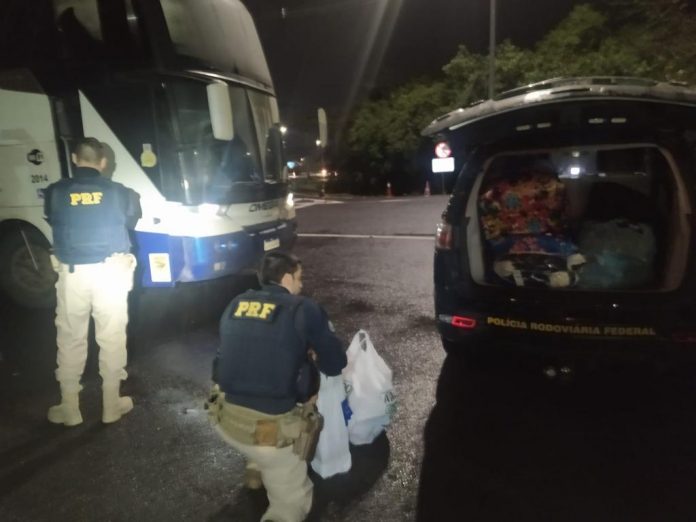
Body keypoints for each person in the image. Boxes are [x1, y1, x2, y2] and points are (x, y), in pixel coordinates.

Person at [209, 251, 347, 522]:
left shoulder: (236, 302)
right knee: (292, 503)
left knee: (255, 375)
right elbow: (335, 364)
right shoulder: (303, 308)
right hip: (272, 435)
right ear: (286, 279)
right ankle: (277, 495)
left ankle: (255, 467)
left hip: (224, 420)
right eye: (299, 278)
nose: (301, 285)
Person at [44, 137, 141, 426]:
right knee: (111, 338)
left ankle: (69, 407)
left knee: (70, 338)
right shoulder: (121, 193)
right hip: (111, 273)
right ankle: (111, 406)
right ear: (103, 162)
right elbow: (131, 219)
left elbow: (53, 218)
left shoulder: (55, 192)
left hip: (73, 275)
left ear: (74, 159)